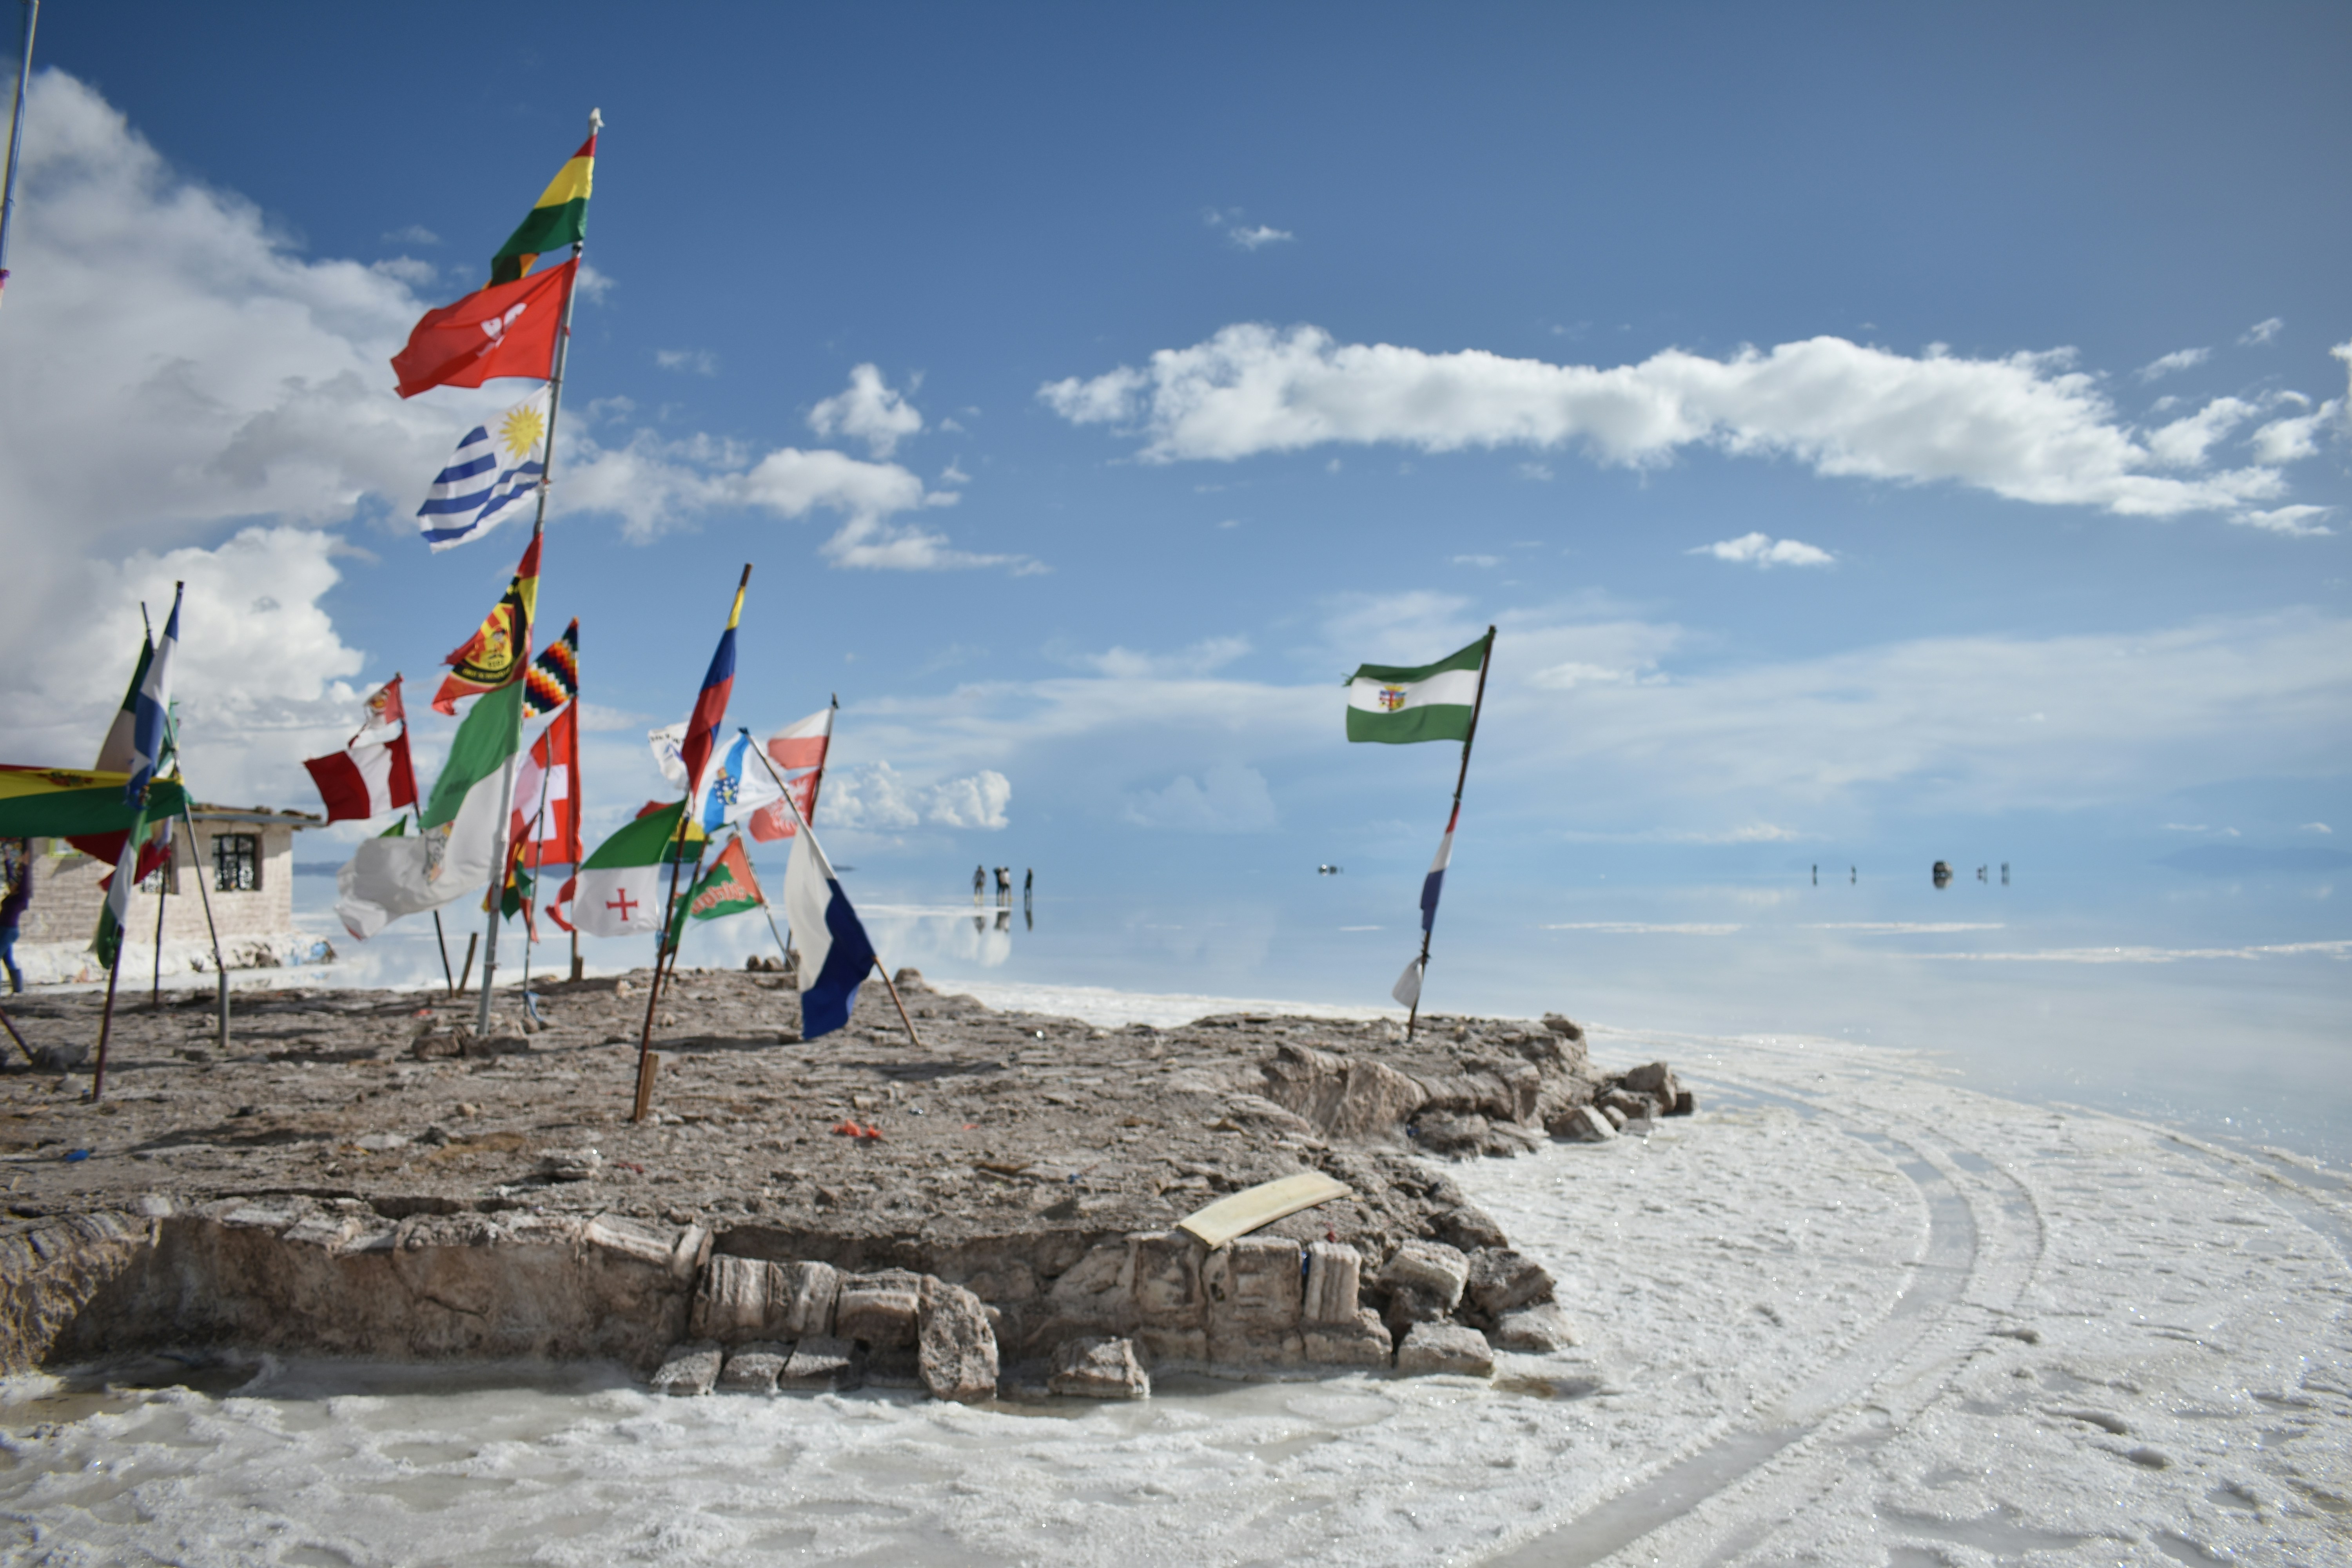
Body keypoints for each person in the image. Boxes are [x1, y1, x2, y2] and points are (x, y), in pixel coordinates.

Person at [0, 840, 30, 995]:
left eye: (14, 885)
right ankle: (18, 989)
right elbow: (10, 876)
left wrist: (25, 865)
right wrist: (6, 859)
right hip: (3, 930)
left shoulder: (20, 898)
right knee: (8, 959)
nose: (10, 885)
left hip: (9, 930)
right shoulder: (12, 895)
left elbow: (23, 884)